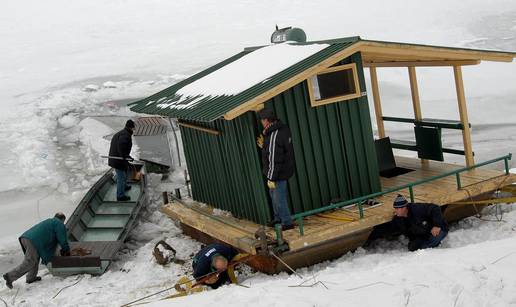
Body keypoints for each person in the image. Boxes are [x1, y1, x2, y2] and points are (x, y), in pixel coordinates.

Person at [3, 213, 70, 289]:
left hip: (26, 238)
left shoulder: (50, 221)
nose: (63, 223)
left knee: (34, 259)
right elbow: (62, 239)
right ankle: (9, 276)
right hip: (33, 241)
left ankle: (31, 278)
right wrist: (66, 250)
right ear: (62, 219)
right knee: (30, 261)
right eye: (63, 222)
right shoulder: (58, 223)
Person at [257, 108, 295, 231]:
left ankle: (287, 222)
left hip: (277, 173)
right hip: (280, 171)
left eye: (262, 120)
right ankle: (278, 218)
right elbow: (275, 149)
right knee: (274, 195)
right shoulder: (280, 129)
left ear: (266, 121)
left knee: (279, 198)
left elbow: (274, 158)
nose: (261, 122)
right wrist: (265, 146)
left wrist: (271, 177)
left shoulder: (274, 135)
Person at [108, 119, 135, 201]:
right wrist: (126, 156)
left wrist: (127, 157)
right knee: (121, 177)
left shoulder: (124, 132)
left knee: (125, 170)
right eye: (133, 127)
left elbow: (122, 148)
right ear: (131, 127)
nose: (134, 129)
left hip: (119, 158)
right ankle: (120, 196)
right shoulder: (125, 135)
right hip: (117, 159)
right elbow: (121, 147)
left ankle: (125, 186)